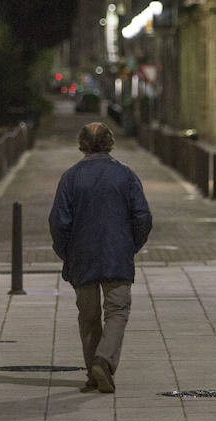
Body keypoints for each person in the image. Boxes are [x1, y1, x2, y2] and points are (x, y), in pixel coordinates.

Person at [49, 121, 153, 393]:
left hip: (82, 256)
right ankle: (103, 360)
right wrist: (130, 246)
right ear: (110, 143)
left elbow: (59, 222)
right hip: (116, 255)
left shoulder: (71, 177)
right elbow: (142, 217)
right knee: (117, 311)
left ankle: (93, 372)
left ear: (82, 144)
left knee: (88, 315)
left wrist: (67, 253)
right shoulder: (126, 176)